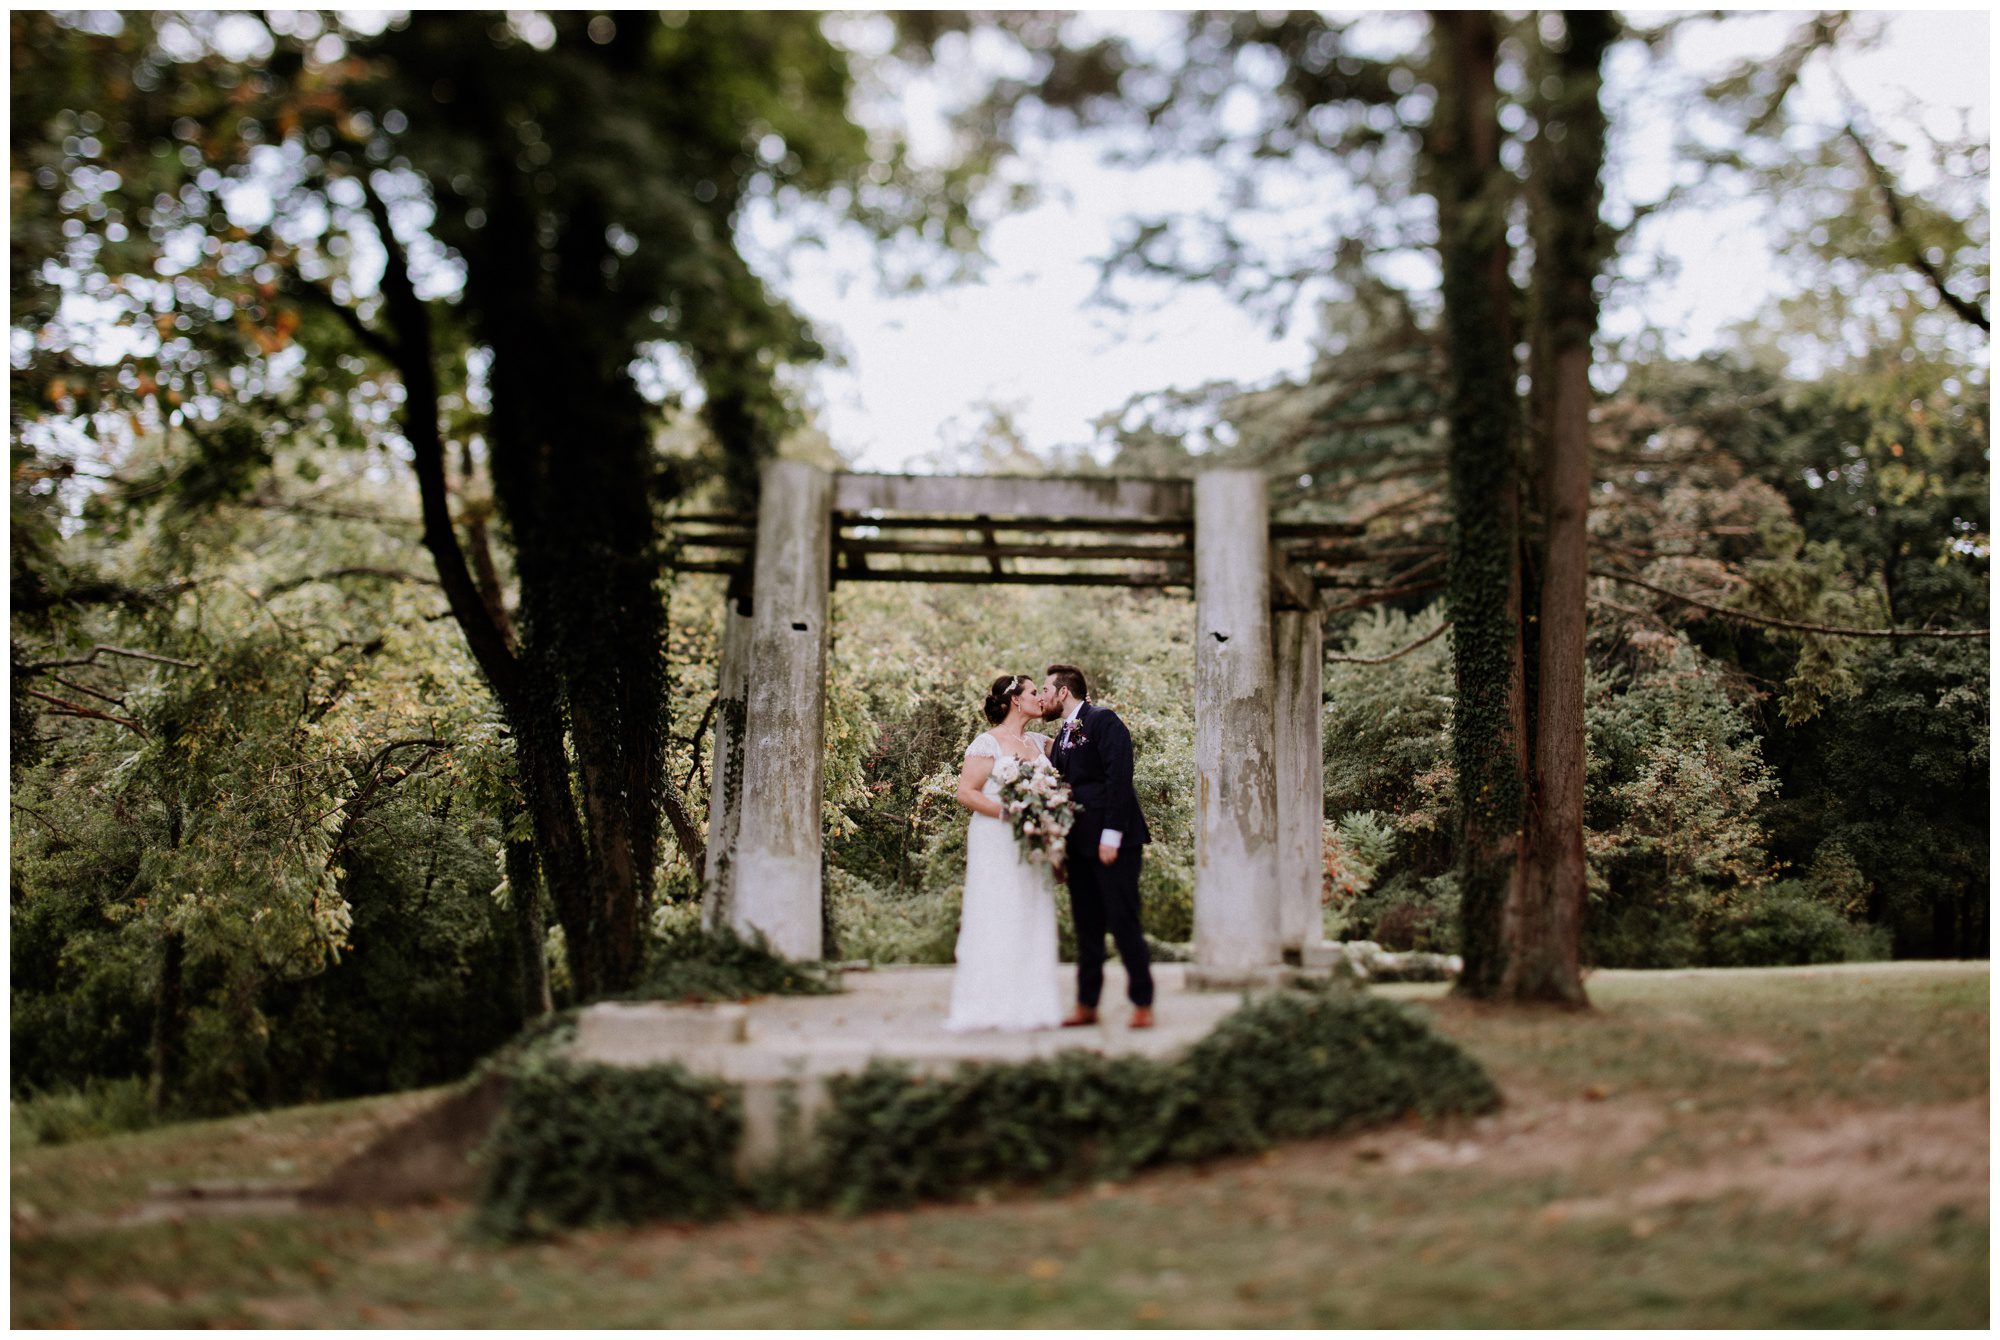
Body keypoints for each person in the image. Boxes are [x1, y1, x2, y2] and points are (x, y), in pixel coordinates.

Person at [944, 673, 1065, 1031]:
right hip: (997, 836)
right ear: (1015, 699)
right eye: (1032, 692)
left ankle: (1031, 1002)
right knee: (997, 907)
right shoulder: (988, 743)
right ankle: (988, 1004)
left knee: (1030, 907)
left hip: (1032, 840)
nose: (1038, 698)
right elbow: (966, 793)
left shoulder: (1040, 742)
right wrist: (1011, 813)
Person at [1040, 663, 1155, 1029]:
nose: (1043, 696)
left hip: (1114, 841)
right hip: (1078, 844)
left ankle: (1143, 1003)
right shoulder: (1061, 738)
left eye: (1046, 689)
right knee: (1086, 925)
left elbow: (1119, 778)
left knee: (1123, 921)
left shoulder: (1104, 721)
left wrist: (1112, 835)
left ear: (1063, 692)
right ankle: (1087, 1004)